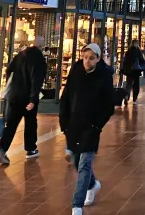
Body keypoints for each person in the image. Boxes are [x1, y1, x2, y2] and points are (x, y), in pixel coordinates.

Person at [60, 44, 114, 215]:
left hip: (91, 128)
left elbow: (108, 105)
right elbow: (66, 97)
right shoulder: (76, 71)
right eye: (85, 57)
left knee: (84, 165)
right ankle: (92, 184)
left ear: (98, 59)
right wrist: (64, 123)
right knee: (76, 161)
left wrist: (97, 126)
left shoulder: (104, 75)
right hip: (73, 125)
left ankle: (76, 205)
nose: (87, 61)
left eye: (91, 58)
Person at [0, 35, 48, 164]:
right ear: (41, 46)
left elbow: (9, 70)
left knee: (11, 124)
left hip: (15, 95)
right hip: (28, 97)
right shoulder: (39, 59)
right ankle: (30, 149)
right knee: (30, 123)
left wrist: (13, 85)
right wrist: (33, 99)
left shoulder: (20, 55)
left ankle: (2, 149)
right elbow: (36, 80)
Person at [120, 39, 145, 104]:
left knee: (128, 84)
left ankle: (126, 96)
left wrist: (124, 69)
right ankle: (134, 99)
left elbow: (125, 61)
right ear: (137, 44)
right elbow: (142, 60)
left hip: (129, 71)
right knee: (136, 85)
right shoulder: (138, 51)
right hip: (136, 71)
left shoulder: (128, 51)